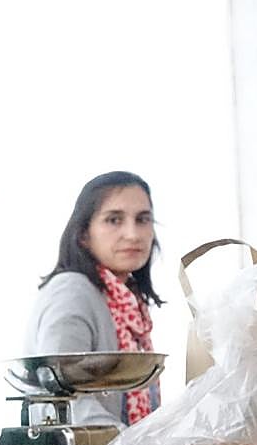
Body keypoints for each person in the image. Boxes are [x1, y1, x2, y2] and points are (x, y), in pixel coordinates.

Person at [24, 171, 161, 427]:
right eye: (114, 220)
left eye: (143, 219)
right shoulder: (72, 292)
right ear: (83, 234)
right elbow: (67, 401)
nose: (133, 234)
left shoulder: (126, 303)